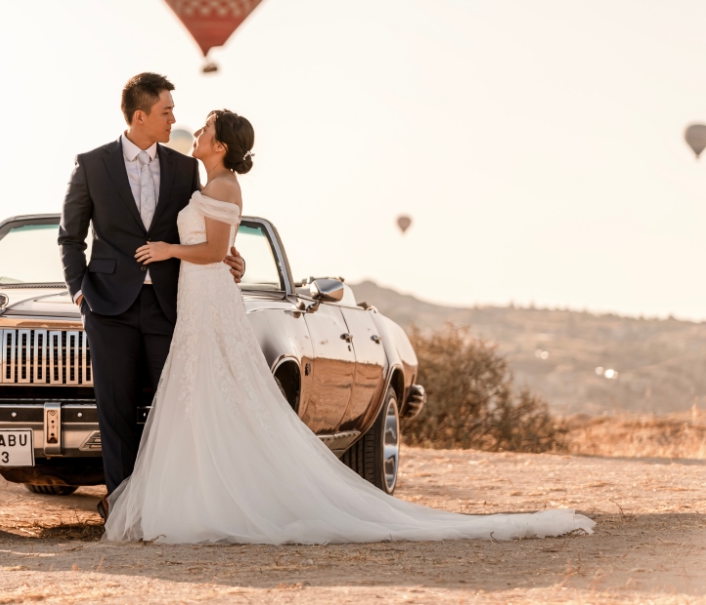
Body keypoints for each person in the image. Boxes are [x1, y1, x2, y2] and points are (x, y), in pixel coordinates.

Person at [105, 109, 596, 544]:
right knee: (198, 393)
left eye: (206, 129)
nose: (198, 132)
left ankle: (215, 503)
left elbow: (212, 249)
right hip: (197, 295)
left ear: (221, 144)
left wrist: (176, 251)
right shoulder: (205, 186)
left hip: (209, 295)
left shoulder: (226, 185)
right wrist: (228, 256)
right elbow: (221, 246)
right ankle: (198, 495)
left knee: (216, 390)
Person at [58, 73, 245, 519]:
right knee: (116, 411)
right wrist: (79, 292)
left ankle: (173, 506)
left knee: (177, 407)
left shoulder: (186, 168)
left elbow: (208, 228)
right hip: (107, 307)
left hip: (170, 305)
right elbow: (70, 237)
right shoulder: (91, 164)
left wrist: (232, 260)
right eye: (166, 112)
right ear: (140, 115)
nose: (174, 120)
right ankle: (124, 510)